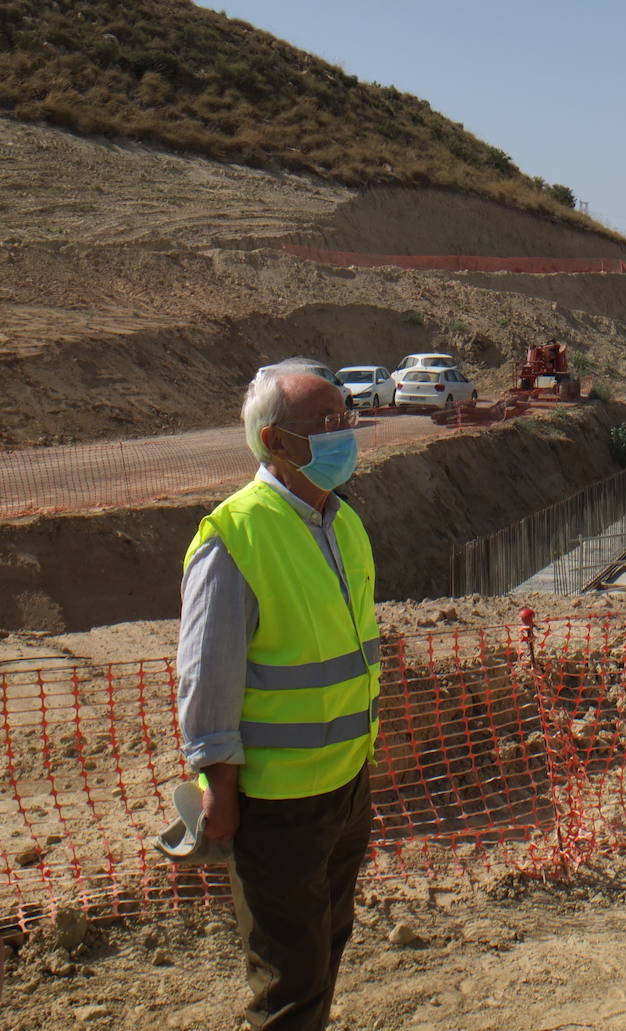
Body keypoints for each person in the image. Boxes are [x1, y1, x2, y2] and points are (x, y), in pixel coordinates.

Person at [177, 360, 381, 1031]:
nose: (344, 431)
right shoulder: (236, 535)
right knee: (288, 984)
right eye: (325, 421)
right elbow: (209, 675)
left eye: (344, 415)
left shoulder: (342, 521)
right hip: (278, 805)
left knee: (323, 952)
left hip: (346, 786)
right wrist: (220, 789)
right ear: (275, 441)